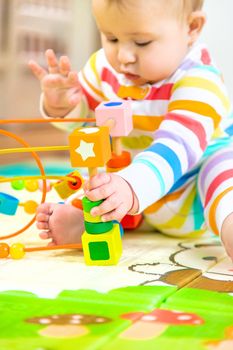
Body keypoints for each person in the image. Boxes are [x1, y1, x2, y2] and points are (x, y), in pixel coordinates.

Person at [29, 0, 233, 260]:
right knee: (101, 183)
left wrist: (130, 185)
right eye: (111, 38)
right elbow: (83, 127)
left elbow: (178, 147)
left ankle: (229, 220)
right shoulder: (104, 68)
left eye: (141, 42)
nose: (124, 57)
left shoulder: (201, 81)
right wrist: (62, 105)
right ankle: (94, 223)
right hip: (136, 198)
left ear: (191, 28)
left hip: (194, 194)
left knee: (224, 166)